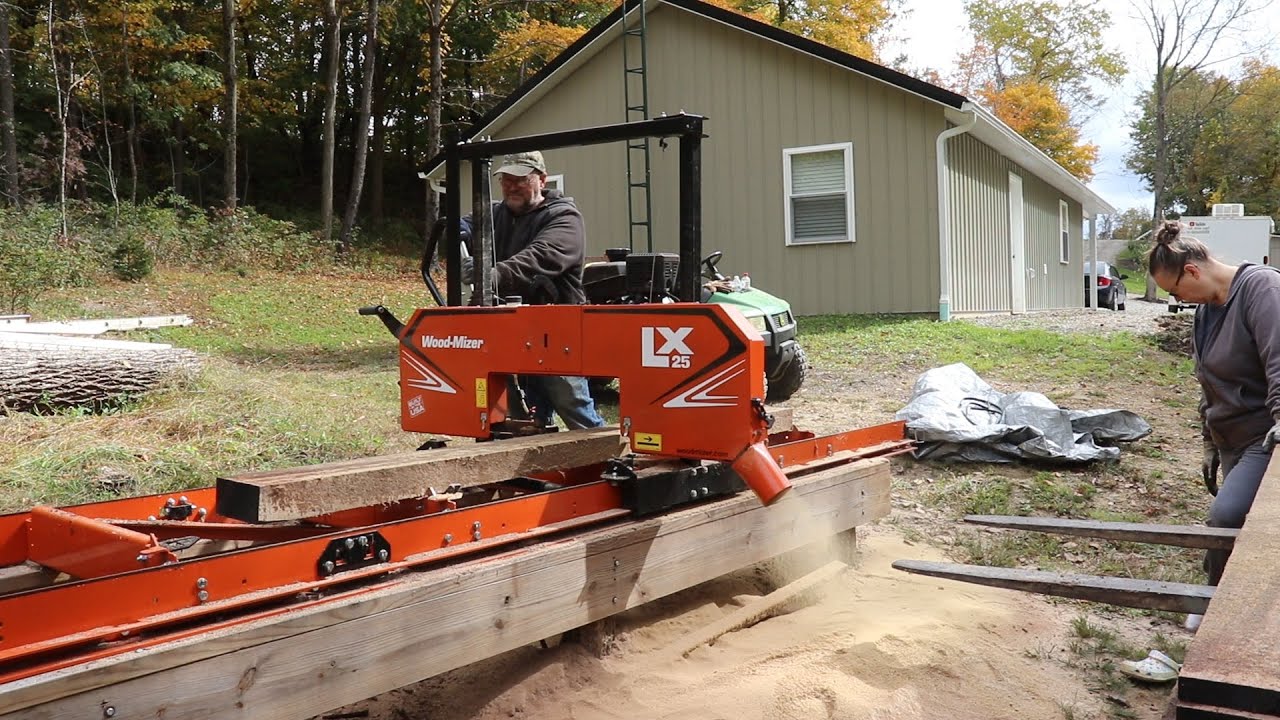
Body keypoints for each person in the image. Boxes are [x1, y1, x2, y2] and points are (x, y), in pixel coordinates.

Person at [1147, 221, 1280, 630]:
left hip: (1266, 435)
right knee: (1244, 528)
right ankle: (1225, 599)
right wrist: (1209, 437)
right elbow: (1209, 380)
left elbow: (1279, 358)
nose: (1178, 300)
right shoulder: (1205, 313)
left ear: (1192, 272)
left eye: (1174, 291)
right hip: (1230, 436)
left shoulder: (1262, 289)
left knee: (1227, 516)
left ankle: (1216, 606)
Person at [458, 150, 605, 430]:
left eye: (521, 180)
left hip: (558, 330)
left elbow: (539, 257)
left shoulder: (564, 218)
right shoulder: (496, 214)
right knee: (516, 413)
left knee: (571, 404)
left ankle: (607, 455)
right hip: (511, 327)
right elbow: (464, 223)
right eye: (506, 180)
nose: (512, 186)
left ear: (542, 180)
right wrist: (458, 228)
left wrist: (490, 274)